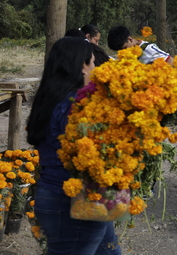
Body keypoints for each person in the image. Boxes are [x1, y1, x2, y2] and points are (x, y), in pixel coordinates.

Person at [26, 37, 122, 254]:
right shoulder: (74, 107)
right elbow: (94, 156)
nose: (96, 69)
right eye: (93, 63)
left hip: (64, 197)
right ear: (82, 67)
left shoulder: (51, 101)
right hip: (73, 201)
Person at [107, 25, 174, 65]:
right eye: (119, 51)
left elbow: (171, 61)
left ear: (130, 39)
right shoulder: (129, 55)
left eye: (124, 48)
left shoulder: (147, 49)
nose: (122, 52)